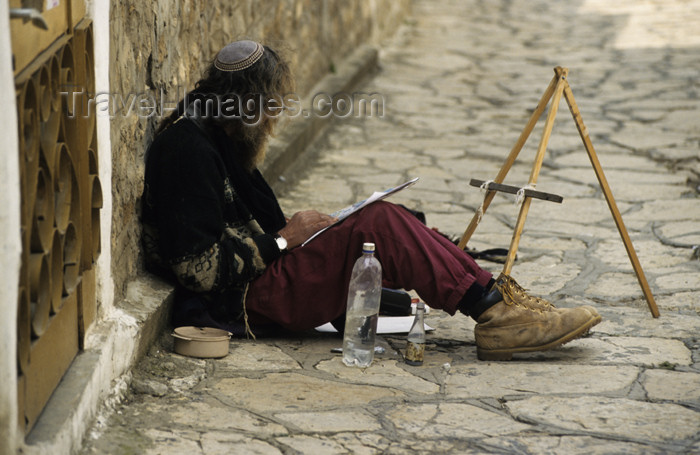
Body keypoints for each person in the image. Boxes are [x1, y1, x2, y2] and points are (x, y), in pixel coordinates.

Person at [141, 40, 601, 361]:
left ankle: (497, 297)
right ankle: (494, 312)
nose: (273, 119)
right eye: (270, 108)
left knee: (391, 219)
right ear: (245, 104)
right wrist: (284, 241)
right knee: (376, 225)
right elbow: (196, 270)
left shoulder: (215, 129)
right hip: (239, 300)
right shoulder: (188, 149)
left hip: (257, 278)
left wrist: (309, 232)